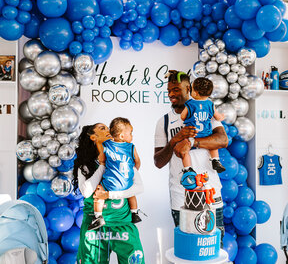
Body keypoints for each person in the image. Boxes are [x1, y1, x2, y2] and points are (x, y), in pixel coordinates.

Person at [154, 70, 228, 235]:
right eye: (169, 91)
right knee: (186, 251)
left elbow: (223, 140)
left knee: (214, 249)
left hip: (211, 192)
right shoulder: (164, 122)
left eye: (176, 90)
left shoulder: (207, 111)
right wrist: (175, 140)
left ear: (189, 89)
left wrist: (192, 142)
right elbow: (158, 162)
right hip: (182, 196)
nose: (171, 94)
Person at [73, 123, 145, 264]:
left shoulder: (122, 157)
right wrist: (102, 165)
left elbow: (139, 188)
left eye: (108, 128)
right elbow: (86, 192)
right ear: (93, 137)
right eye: (102, 128)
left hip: (122, 223)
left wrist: (109, 195)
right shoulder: (85, 165)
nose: (108, 130)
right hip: (95, 226)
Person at [89, 117, 142, 230]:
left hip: (111, 184)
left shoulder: (107, 145)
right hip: (126, 183)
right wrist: (132, 172)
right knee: (131, 193)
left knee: (100, 193)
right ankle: (135, 213)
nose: (132, 135)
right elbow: (137, 161)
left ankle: (98, 216)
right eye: (131, 133)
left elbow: (102, 159)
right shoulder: (131, 147)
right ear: (122, 136)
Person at [180, 77, 226, 175]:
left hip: (192, 134)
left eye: (191, 89)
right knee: (213, 146)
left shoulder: (190, 104)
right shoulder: (210, 104)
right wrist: (222, 116)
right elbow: (217, 117)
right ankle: (215, 160)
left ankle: (188, 168)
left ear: (195, 93)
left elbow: (183, 117)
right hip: (206, 134)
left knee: (185, 151)